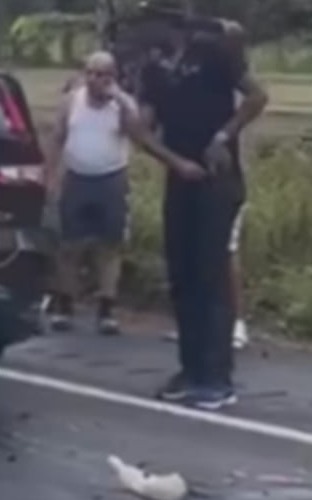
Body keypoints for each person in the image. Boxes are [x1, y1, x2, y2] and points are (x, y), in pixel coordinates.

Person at [140, 21, 267, 411]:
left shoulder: (213, 53)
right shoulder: (154, 70)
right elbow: (142, 129)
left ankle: (217, 377)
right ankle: (190, 369)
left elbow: (257, 96)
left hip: (218, 177)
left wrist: (223, 137)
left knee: (211, 276)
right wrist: (175, 162)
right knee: (183, 276)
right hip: (181, 178)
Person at [47, 50, 204, 336]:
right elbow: (57, 138)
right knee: (70, 245)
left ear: (113, 77)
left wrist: (119, 100)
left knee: (110, 246)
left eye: (102, 74)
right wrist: (50, 176)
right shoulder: (71, 102)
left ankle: (107, 307)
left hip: (111, 179)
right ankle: (64, 304)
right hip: (77, 177)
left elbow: (141, 136)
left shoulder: (122, 105)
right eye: (90, 73)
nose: (95, 80)